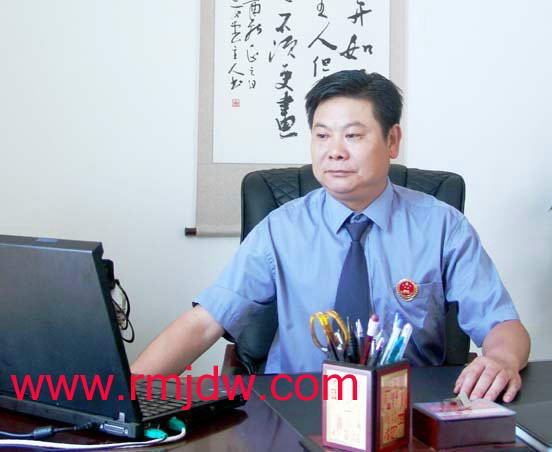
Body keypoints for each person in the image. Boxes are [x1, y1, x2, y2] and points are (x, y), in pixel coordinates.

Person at [132, 70, 530, 403]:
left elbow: (501, 324)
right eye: (322, 136)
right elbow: (205, 323)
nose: (334, 151)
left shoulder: (442, 227)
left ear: (392, 140)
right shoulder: (281, 228)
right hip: (298, 406)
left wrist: (502, 359)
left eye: (353, 136)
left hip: (405, 408)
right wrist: (122, 397)